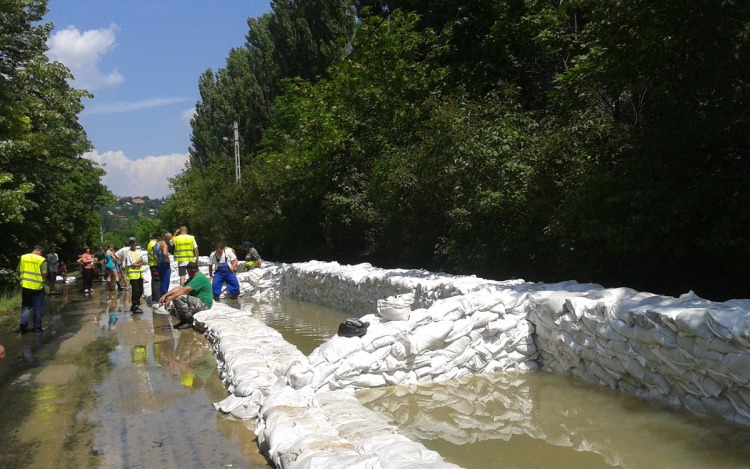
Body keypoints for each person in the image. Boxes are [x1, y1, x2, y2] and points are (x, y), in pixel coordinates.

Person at [159, 261, 213, 330]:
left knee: (179, 297)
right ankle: (184, 320)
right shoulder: (193, 278)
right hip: (197, 302)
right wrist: (165, 295)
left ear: (189, 270)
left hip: (204, 304)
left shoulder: (199, 277)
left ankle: (188, 321)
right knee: (175, 297)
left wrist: (170, 299)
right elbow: (180, 287)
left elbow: (184, 291)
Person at [17, 245, 47, 334]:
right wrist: (43, 279)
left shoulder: (23, 257)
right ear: (40, 252)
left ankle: (24, 324)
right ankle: (37, 328)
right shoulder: (41, 260)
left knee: (26, 305)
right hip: (38, 287)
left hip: (25, 286)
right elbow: (44, 272)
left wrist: (23, 279)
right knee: (38, 307)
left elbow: (18, 272)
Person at [123, 237, 145, 314]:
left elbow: (142, 260)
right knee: (135, 291)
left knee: (141, 291)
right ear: (129, 243)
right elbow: (133, 264)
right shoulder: (128, 253)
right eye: (131, 242)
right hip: (133, 275)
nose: (132, 243)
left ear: (135, 242)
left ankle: (135, 305)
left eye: (133, 242)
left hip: (139, 274)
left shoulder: (139, 252)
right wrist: (138, 263)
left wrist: (137, 263)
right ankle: (135, 306)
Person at [146, 232, 163, 306]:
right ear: (159, 237)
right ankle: (156, 298)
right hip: (155, 265)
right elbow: (155, 255)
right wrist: (160, 262)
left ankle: (154, 297)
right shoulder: (154, 244)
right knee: (157, 281)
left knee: (154, 281)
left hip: (152, 265)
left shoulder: (150, 243)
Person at [155, 232, 172, 298]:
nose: (170, 240)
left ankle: (161, 295)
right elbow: (165, 253)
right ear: (165, 238)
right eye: (169, 238)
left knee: (162, 280)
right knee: (166, 280)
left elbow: (155, 255)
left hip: (159, 263)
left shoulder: (158, 243)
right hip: (164, 264)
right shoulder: (164, 244)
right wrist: (167, 260)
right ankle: (164, 295)